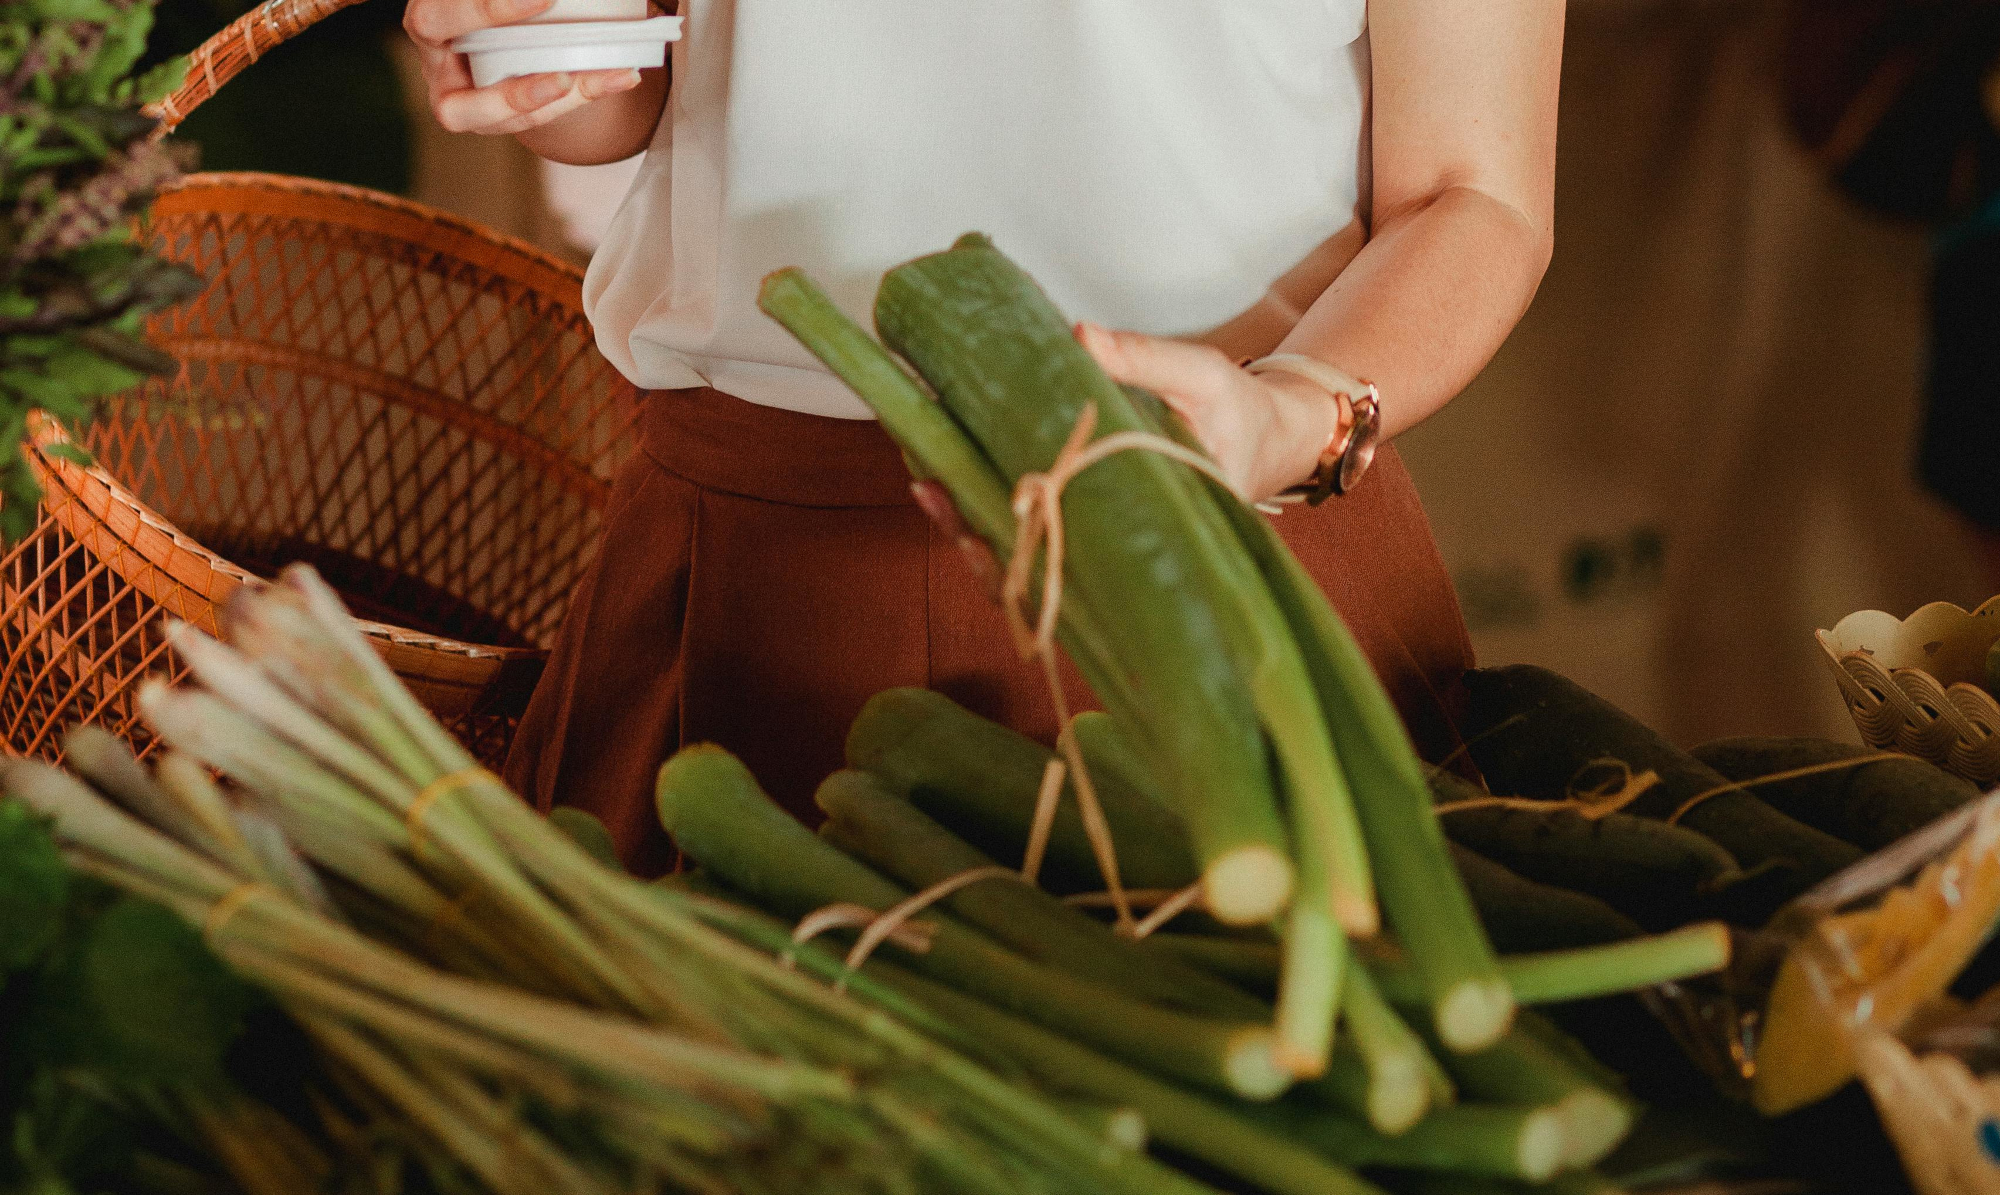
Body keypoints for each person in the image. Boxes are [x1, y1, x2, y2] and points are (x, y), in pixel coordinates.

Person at [404, 0, 1564, 871]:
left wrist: (1287, 412)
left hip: (1225, 535)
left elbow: (1471, 193)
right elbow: (638, 77)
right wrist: (534, 40)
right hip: (750, 563)